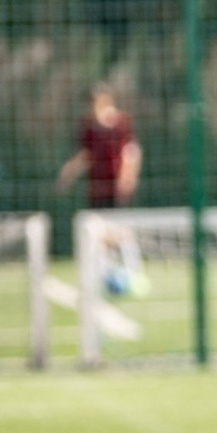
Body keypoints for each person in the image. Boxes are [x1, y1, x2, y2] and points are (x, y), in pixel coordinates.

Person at [57, 83, 145, 289]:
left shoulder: (121, 123)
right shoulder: (88, 127)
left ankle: (134, 269)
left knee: (120, 229)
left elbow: (131, 151)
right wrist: (68, 173)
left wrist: (128, 175)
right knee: (98, 230)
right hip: (97, 188)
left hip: (116, 188)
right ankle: (105, 274)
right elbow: (85, 155)